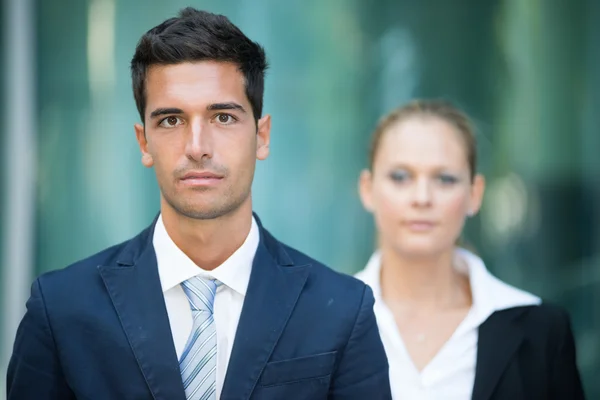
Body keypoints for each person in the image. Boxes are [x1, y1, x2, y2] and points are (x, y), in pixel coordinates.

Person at [7, 8, 391, 400]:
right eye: (171, 120)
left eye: (223, 117)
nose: (197, 148)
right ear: (144, 142)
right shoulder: (61, 309)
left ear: (262, 136)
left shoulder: (342, 312)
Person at [355, 99, 585, 399]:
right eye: (400, 176)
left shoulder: (542, 330)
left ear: (475, 194)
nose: (422, 197)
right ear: (367, 189)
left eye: (445, 179)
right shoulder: (316, 323)